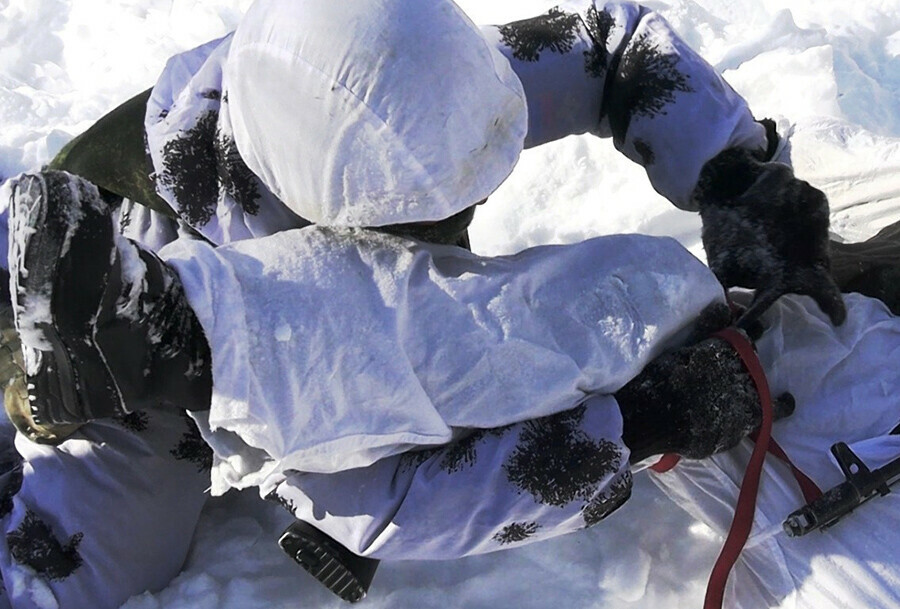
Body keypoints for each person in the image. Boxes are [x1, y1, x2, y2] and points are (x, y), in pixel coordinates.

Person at [0, 0, 871, 606]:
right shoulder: (242, 293)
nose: (467, 216)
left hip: (256, 264)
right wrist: (645, 423)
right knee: (83, 567)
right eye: (438, 215)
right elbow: (383, 500)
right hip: (90, 352)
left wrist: (743, 181)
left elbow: (612, 49)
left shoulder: (384, 80)